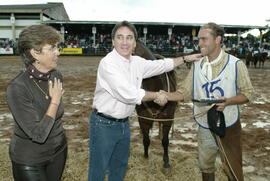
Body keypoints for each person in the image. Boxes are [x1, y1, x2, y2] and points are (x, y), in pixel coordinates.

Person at [88, 20, 202, 181]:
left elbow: (161, 65)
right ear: (113, 41)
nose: (125, 42)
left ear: (135, 43)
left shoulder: (136, 62)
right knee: (98, 170)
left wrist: (185, 59)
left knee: (119, 168)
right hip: (104, 125)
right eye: (120, 37)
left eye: (129, 38)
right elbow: (129, 94)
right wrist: (158, 95)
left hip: (123, 124)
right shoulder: (108, 64)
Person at [158, 22, 254, 181]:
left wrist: (228, 101)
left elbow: (249, 93)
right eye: (199, 39)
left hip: (228, 123)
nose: (200, 43)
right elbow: (185, 92)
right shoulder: (196, 65)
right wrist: (166, 95)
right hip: (204, 122)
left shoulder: (236, 64)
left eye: (204, 39)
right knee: (205, 164)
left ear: (218, 40)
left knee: (232, 165)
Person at [6, 24, 67, 181]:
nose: (58, 52)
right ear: (35, 53)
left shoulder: (56, 75)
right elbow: (38, 135)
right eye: (52, 48)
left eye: (57, 47)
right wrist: (55, 101)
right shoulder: (17, 88)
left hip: (59, 152)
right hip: (29, 160)